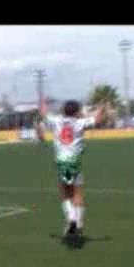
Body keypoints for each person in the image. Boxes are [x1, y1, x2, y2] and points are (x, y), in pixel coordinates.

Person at [38, 100, 107, 237]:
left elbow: (43, 115)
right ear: (76, 112)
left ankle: (71, 218)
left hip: (61, 160)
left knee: (65, 192)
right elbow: (98, 120)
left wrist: (44, 104)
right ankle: (78, 221)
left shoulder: (56, 121)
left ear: (64, 111)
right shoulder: (80, 123)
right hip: (74, 160)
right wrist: (102, 108)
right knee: (76, 192)